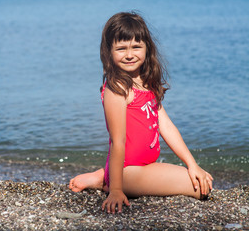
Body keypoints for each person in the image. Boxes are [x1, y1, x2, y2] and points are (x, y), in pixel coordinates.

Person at [68, 12, 213, 214]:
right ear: (108, 52)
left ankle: (103, 176)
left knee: (200, 177)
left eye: (136, 47)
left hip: (145, 166)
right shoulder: (117, 89)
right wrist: (116, 191)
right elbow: (117, 142)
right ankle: (109, 182)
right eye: (121, 49)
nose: (129, 54)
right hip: (127, 172)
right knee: (200, 190)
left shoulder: (146, 82)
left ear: (147, 48)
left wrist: (192, 164)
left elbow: (166, 126)